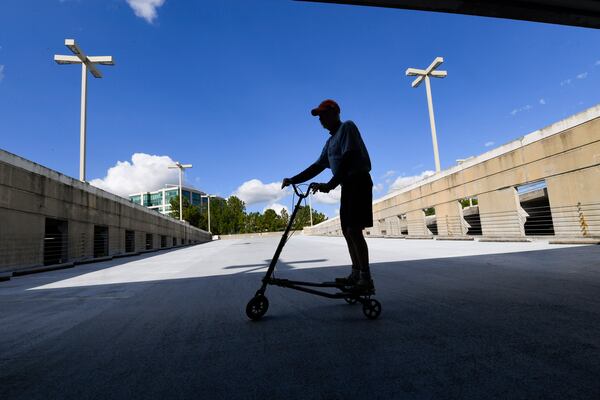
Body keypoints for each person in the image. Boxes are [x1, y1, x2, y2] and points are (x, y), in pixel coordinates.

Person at [282, 99, 374, 291]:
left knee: (354, 230)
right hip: (347, 185)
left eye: (323, 115)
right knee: (347, 231)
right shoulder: (330, 141)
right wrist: (293, 179)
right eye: (319, 117)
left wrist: (331, 184)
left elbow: (349, 158)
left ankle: (365, 278)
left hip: (358, 181)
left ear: (335, 113)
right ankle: (355, 274)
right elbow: (317, 166)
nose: (321, 119)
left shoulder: (347, 127)